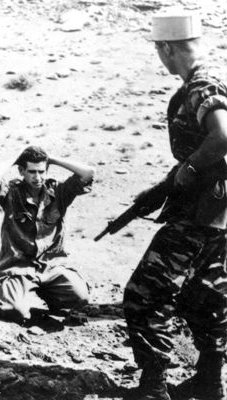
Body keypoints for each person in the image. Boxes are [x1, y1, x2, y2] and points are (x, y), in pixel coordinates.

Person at [123, 12, 227, 400]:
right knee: (207, 295)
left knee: (144, 294)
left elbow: (222, 137)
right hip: (217, 215)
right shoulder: (211, 80)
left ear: (167, 48)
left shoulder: (202, 86)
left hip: (200, 214)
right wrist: (163, 187)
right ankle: (210, 382)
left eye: (159, 50)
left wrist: (191, 167)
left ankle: (153, 387)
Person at [0, 146, 94, 324]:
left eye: (41, 171)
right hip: (19, 267)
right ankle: (1, 294)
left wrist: (52, 159)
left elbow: (88, 173)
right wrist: (16, 157)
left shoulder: (58, 192)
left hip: (51, 266)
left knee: (81, 299)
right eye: (32, 172)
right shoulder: (11, 192)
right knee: (14, 312)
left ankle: (48, 296)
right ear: (21, 171)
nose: (37, 177)